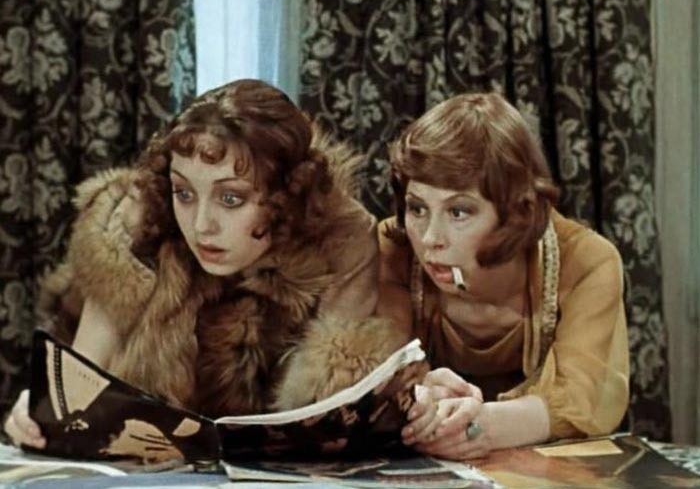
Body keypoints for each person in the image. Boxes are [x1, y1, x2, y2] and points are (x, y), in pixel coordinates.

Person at [4, 79, 406, 451]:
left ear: (287, 196)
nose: (201, 226)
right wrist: (39, 415)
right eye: (184, 193)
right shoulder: (136, 223)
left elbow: (328, 410)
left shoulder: (341, 238)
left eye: (230, 199)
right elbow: (78, 389)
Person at [377, 92, 629, 460]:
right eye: (417, 208)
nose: (430, 238)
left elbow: (582, 399)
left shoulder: (586, 261)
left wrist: (478, 426)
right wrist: (419, 396)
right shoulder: (394, 250)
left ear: (515, 212)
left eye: (458, 212)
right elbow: (379, 371)